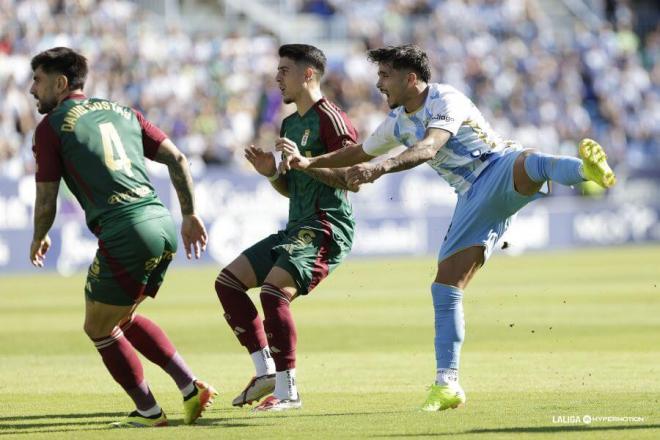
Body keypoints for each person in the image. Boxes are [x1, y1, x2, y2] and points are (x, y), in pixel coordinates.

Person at [278, 44, 616, 412]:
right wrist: (308, 162)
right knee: (445, 289)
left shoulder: (445, 99)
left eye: (385, 76)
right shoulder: (396, 122)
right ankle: (447, 384)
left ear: (411, 79)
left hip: (496, 168)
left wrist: (380, 168)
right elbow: (358, 153)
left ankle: (586, 172)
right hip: (472, 200)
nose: (379, 84)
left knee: (530, 161)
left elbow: (426, 149)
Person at [29, 47, 217, 427]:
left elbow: (47, 197)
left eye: (38, 80)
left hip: (126, 229)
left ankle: (149, 412)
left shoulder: (52, 127)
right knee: (124, 317)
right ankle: (189, 387)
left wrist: (39, 236)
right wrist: (190, 214)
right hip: (161, 222)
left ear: (61, 83)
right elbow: (178, 159)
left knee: (98, 327)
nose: (32, 90)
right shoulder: (124, 112)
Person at [214, 44, 358, 412]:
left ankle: (288, 390)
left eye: (284, 71)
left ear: (307, 74)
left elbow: (351, 178)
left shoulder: (333, 119)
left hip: (327, 225)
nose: (277, 78)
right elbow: (291, 186)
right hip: (297, 226)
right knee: (227, 283)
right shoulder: (290, 123)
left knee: (273, 292)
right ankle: (265, 373)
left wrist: (306, 162)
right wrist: (272, 173)